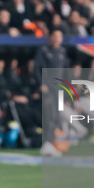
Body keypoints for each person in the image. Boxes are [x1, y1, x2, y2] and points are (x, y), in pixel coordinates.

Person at [33, 29, 69, 157]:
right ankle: (46, 144)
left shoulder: (62, 52)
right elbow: (37, 68)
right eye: (55, 36)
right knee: (49, 116)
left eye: (60, 37)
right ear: (50, 37)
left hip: (58, 89)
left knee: (56, 117)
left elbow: (65, 71)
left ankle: (51, 143)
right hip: (48, 89)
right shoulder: (44, 51)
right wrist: (41, 84)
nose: (57, 39)